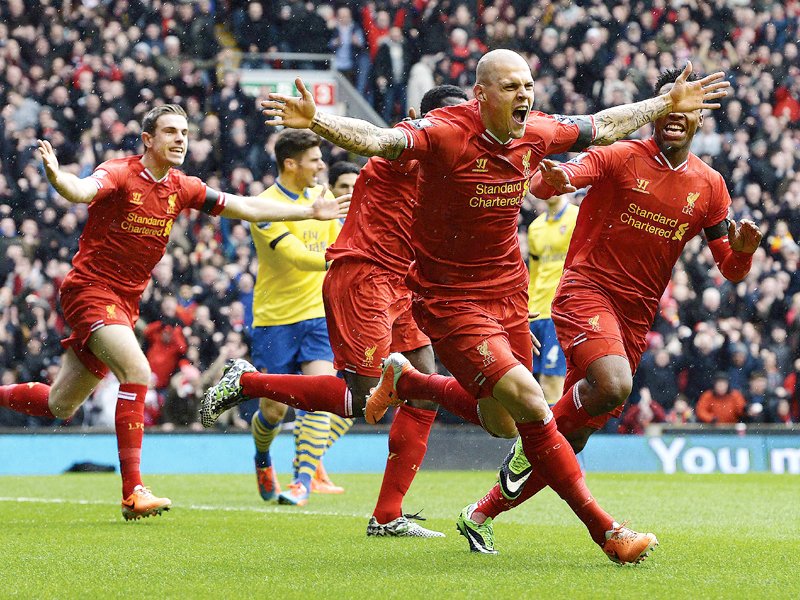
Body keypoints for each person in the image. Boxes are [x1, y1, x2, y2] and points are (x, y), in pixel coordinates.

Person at [206, 50, 728, 563]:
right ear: (479, 97)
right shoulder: (438, 136)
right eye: (511, 86)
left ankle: (405, 397)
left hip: (505, 292)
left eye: (528, 85)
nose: (524, 94)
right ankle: (606, 530)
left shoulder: (536, 132)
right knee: (515, 400)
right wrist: (319, 120)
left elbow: (603, 124)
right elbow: (379, 139)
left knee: (502, 422)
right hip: (423, 290)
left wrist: (660, 105)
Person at [0, 104, 348, 520]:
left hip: (124, 303)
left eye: (184, 131)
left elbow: (246, 207)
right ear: (148, 139)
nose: (181, 139)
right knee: (138, 371)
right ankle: (134, 492)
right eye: (170, 132)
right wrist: (58, 179)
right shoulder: (120, 172)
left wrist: (308, 211)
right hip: (90, 291)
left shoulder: (182, 186)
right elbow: (82, 190)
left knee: (61, 405)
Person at [463, 67, 760, 544]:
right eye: (667, 104)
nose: (676, 114)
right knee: (614, 385)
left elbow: (729, 268)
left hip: (636, 318)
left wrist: (743, 250)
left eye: (686, 107)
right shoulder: (622, 155)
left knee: (572, 440)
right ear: (654, 113)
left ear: (701, 118)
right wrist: (557, 178)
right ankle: (532, 441)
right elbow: (558, 180)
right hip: (587, 291)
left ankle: (479, 515)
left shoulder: (710, 185)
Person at [203, 85, 469, 538]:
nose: (456, 132)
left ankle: (386, 515)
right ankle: (244, 382)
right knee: (361, 402)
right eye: (447, 121)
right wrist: (318, 121)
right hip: (361, 280)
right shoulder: (405, 149)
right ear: (417, 119)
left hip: (400, 285)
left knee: (423, 395)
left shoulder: (454, 168)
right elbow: (366, 136)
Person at [247, 129, 353, 507]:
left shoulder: (324, 196)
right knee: (273, 410)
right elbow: (299, 257)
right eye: (314, 159)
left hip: (317, 314)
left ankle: (302, 482)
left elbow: (342, 239)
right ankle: (262, 456)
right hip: (275, 319)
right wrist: (342, 256)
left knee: (322, 392)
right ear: (290, 164)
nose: (322, 165)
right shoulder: (264, 206)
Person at [526, 194, 578, 403]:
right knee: (528, 383)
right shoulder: (535, 228)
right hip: (534, 312)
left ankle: (554, 434)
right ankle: (534, 434)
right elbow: (535, 273)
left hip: (559, 312)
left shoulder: (577, 217)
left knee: (552, 381)